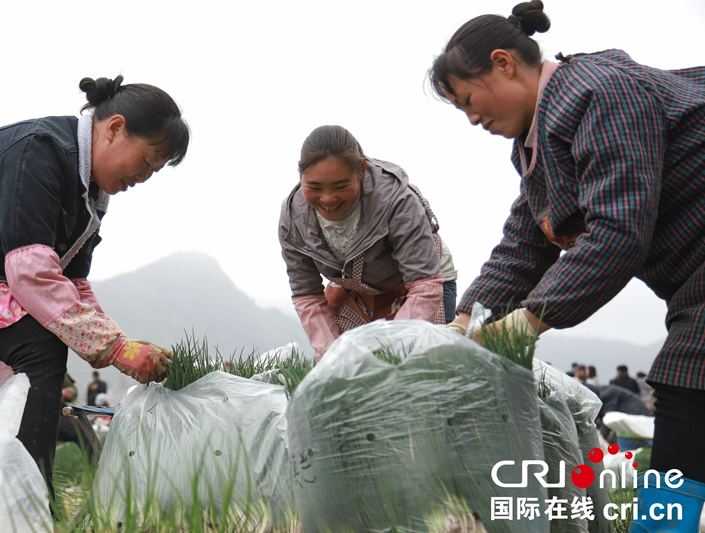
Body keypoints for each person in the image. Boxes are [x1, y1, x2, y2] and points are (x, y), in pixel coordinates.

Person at [430, 1, 705, 529]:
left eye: (469, 99)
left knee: (686, 381)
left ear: (504, 63)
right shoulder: (538, 150)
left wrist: (527, 321)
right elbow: (523, 249)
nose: (472, 118)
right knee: (688, 382)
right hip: (692, 284)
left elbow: (618, 232)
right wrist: (464, 323)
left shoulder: (599, 92)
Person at [0, 75, 186, 501]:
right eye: (146, 161)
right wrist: (113, 349)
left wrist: (120, 344)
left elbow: (72, 283)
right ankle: (27, 507)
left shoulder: (88, 199)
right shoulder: (42, 151)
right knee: (39, 344)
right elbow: (31, 273)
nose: (144, 177)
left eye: (154, 171)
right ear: (114, 129)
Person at [280, 125, 446, 360]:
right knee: (349, 366)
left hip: (420, 286)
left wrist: (393, 354)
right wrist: (332, 360)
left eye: (340, 186)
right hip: (355, 288)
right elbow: (307, 296)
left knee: (420, 366)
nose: (327, 199)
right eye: (314, 187)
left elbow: (425, 286)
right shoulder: (293, 219)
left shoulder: (396, 202)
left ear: (361, 170)